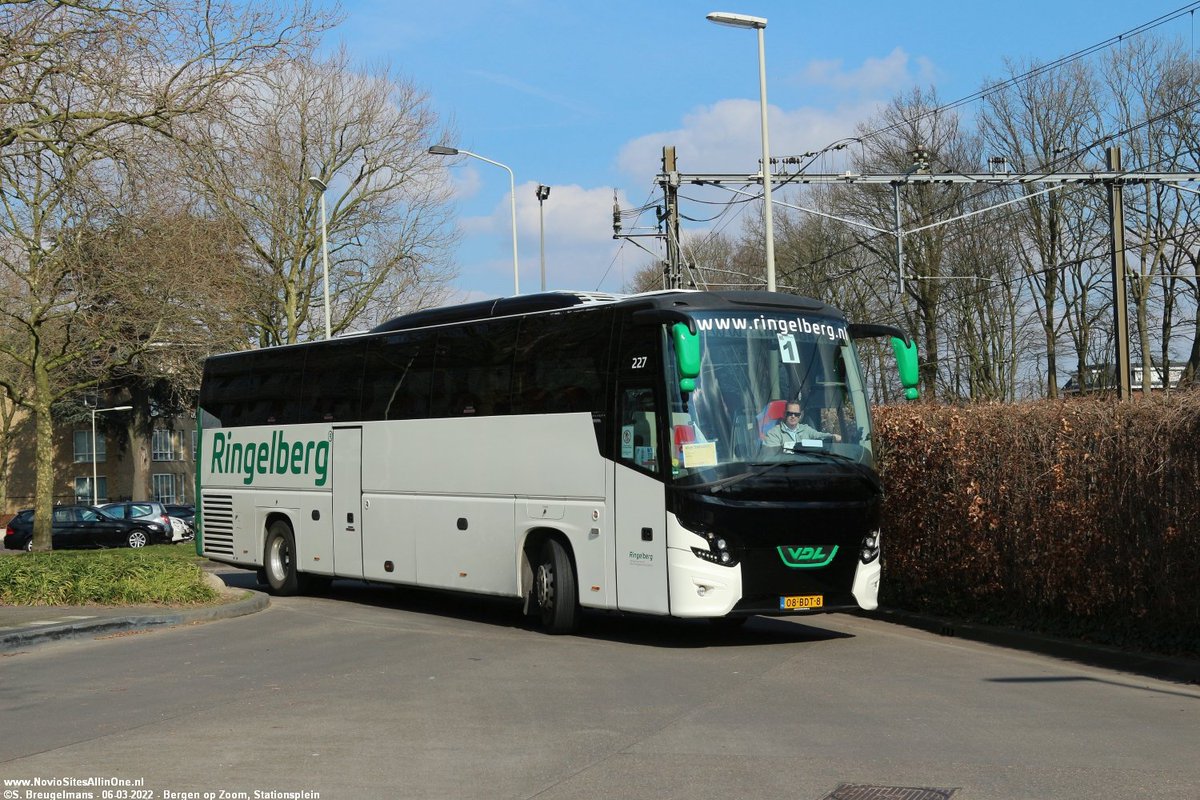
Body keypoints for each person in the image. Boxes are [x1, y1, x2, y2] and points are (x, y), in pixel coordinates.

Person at [762, 400, 841, 451]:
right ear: (785, 414)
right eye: (790, 413)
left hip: (806, 467)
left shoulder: (806, 429)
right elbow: (772, 456)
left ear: (800, 416)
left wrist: (832, 436)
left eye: (796, 414)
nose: (793, 416)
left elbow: (819, 435)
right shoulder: (774, 433)